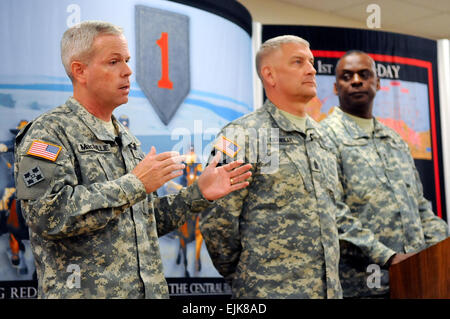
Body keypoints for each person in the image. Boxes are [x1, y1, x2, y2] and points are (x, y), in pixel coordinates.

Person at [13, 21, 252, 299]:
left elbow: (143, 222)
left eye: (126, 60)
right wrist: (135, 183)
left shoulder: (125, 137)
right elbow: (47, 217)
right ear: (80, 70)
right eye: (114, 62)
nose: (128, 71)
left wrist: (197, 194)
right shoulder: (47, 134)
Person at [200, 35, 365, 298]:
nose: (311, 69)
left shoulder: (322, 138)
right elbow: (217, 221)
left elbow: (332, 214)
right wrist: (247, 274)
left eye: (311, 62)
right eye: (298, 62)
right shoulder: (241, 136)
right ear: (270, 75)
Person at [320, 50, 449, 298]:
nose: (356, 80)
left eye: (364, 74)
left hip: (417, 278)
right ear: (336, 88)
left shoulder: (395, 140)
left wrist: (439, 248)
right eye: (347, 77)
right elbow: (332, 213)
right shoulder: (325, 138)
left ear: (377, 83)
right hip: (363, 284)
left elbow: (420, 206)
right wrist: (388, 257)